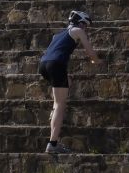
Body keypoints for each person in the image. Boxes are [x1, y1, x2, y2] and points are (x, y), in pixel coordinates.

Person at [38, 9, 102, 154]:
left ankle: (54, 112)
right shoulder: (78, 31)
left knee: (66, 83)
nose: (85, 29)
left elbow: (51, 51)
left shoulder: (57, 35)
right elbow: (90, 52)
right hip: (56, 64)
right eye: (85, 25)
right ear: (80, 22)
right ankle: (53, 144)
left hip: (44, 65)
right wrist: (97, 61)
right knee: (61, 104)